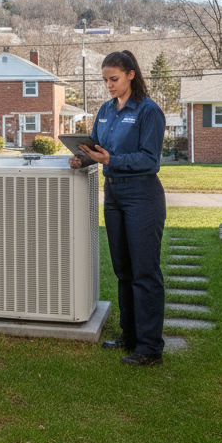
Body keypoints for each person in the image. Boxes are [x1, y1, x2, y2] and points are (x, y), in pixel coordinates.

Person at [69, 50, 166, 366]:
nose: (109, 85)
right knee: (123, 270)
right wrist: (80, 158)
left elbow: (149, 159)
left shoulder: (148, 111)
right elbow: (96, 149)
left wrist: (112, 160)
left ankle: (150, 347)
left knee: (145, 272)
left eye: (114, 79)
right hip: (113, 196)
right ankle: (130, 335)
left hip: (142, 196)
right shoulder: (105, 111)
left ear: (131, 75)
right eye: (105, 80)